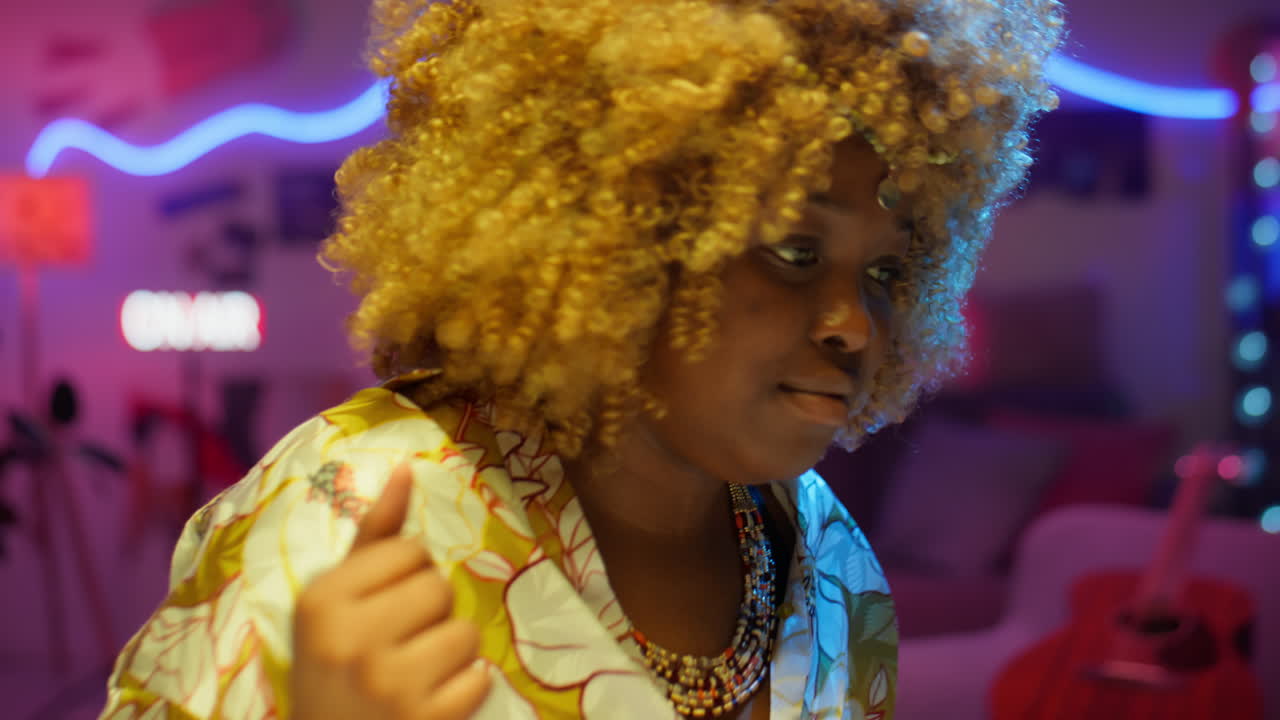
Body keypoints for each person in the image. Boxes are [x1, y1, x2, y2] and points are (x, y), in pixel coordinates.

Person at [101, 0, 1063, 717]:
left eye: (891, 271)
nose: (854, 323)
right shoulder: (351, 515)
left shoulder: (832, 561)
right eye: (795, 251)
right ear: (616, 240)